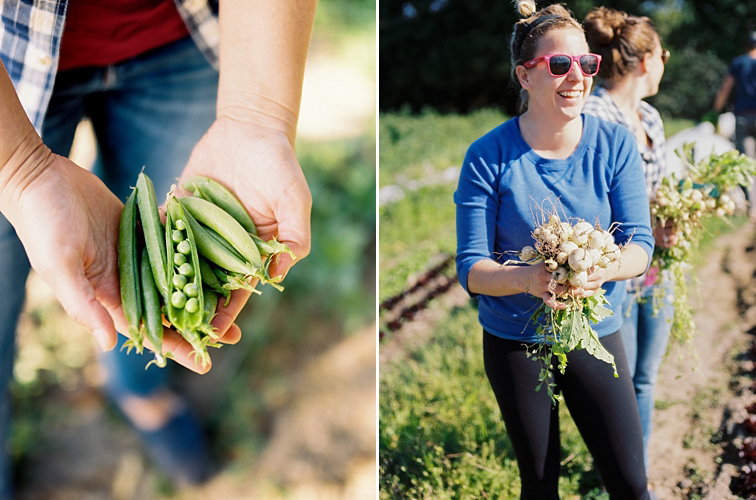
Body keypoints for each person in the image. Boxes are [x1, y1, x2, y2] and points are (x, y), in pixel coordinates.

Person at [0, 0, 314, 495]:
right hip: (8, 66)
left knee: (138, 281)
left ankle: (140, 389)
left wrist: (256, 117)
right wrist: (17, 169)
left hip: (179, 36)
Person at [454, 1, 656, 498]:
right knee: (540, 485)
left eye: (586, 64)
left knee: (631, 483)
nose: (577, 76)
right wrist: (528, 280)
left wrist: (600, 269)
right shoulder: (488, 155)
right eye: (559, 65)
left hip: (596, 332)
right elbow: (471, 267)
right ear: (525, 76)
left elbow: (640, 245)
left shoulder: (615, 144)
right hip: (515, 340)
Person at [582, 6, 677, 475]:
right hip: (614, 274)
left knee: (645, 377)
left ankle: (630, 475)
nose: (665, 61)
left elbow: (655, 196)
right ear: (645, 60)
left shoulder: (650, 118)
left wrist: (671, 221)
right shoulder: (591, 115)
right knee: (617, 382)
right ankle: (615, 473)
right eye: (664, 53)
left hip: (657, 267)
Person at [714, 30, 756, 209]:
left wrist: (716, 110)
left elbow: (726, 88)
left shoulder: (738, 63)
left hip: (742, 117)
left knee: (747, 161)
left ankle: (753, 208)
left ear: (747, 45)